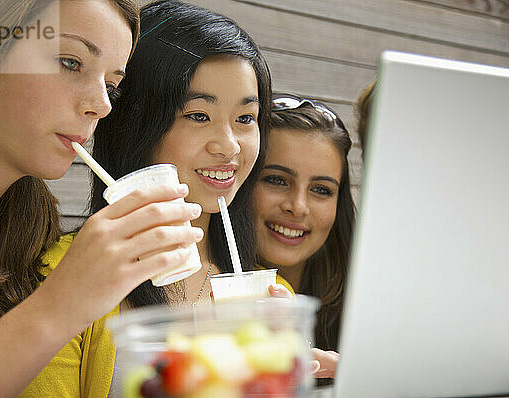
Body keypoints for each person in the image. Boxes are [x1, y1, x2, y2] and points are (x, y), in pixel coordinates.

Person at [0, 0, 203, 396]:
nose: (100, 105)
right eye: (70, 62)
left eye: (112, 85)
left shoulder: (26, 236)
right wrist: (61, 305)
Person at [33, 1, 294, 396]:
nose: (229, 147)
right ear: (138, 123)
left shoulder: (273, 300)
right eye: (198, 116)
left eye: (245, 119)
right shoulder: (61, 277)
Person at [252, 94, 356, 381]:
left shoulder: (365, 304)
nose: (297, 207)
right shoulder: (205, 297)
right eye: (276, 179)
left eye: (321, 189)